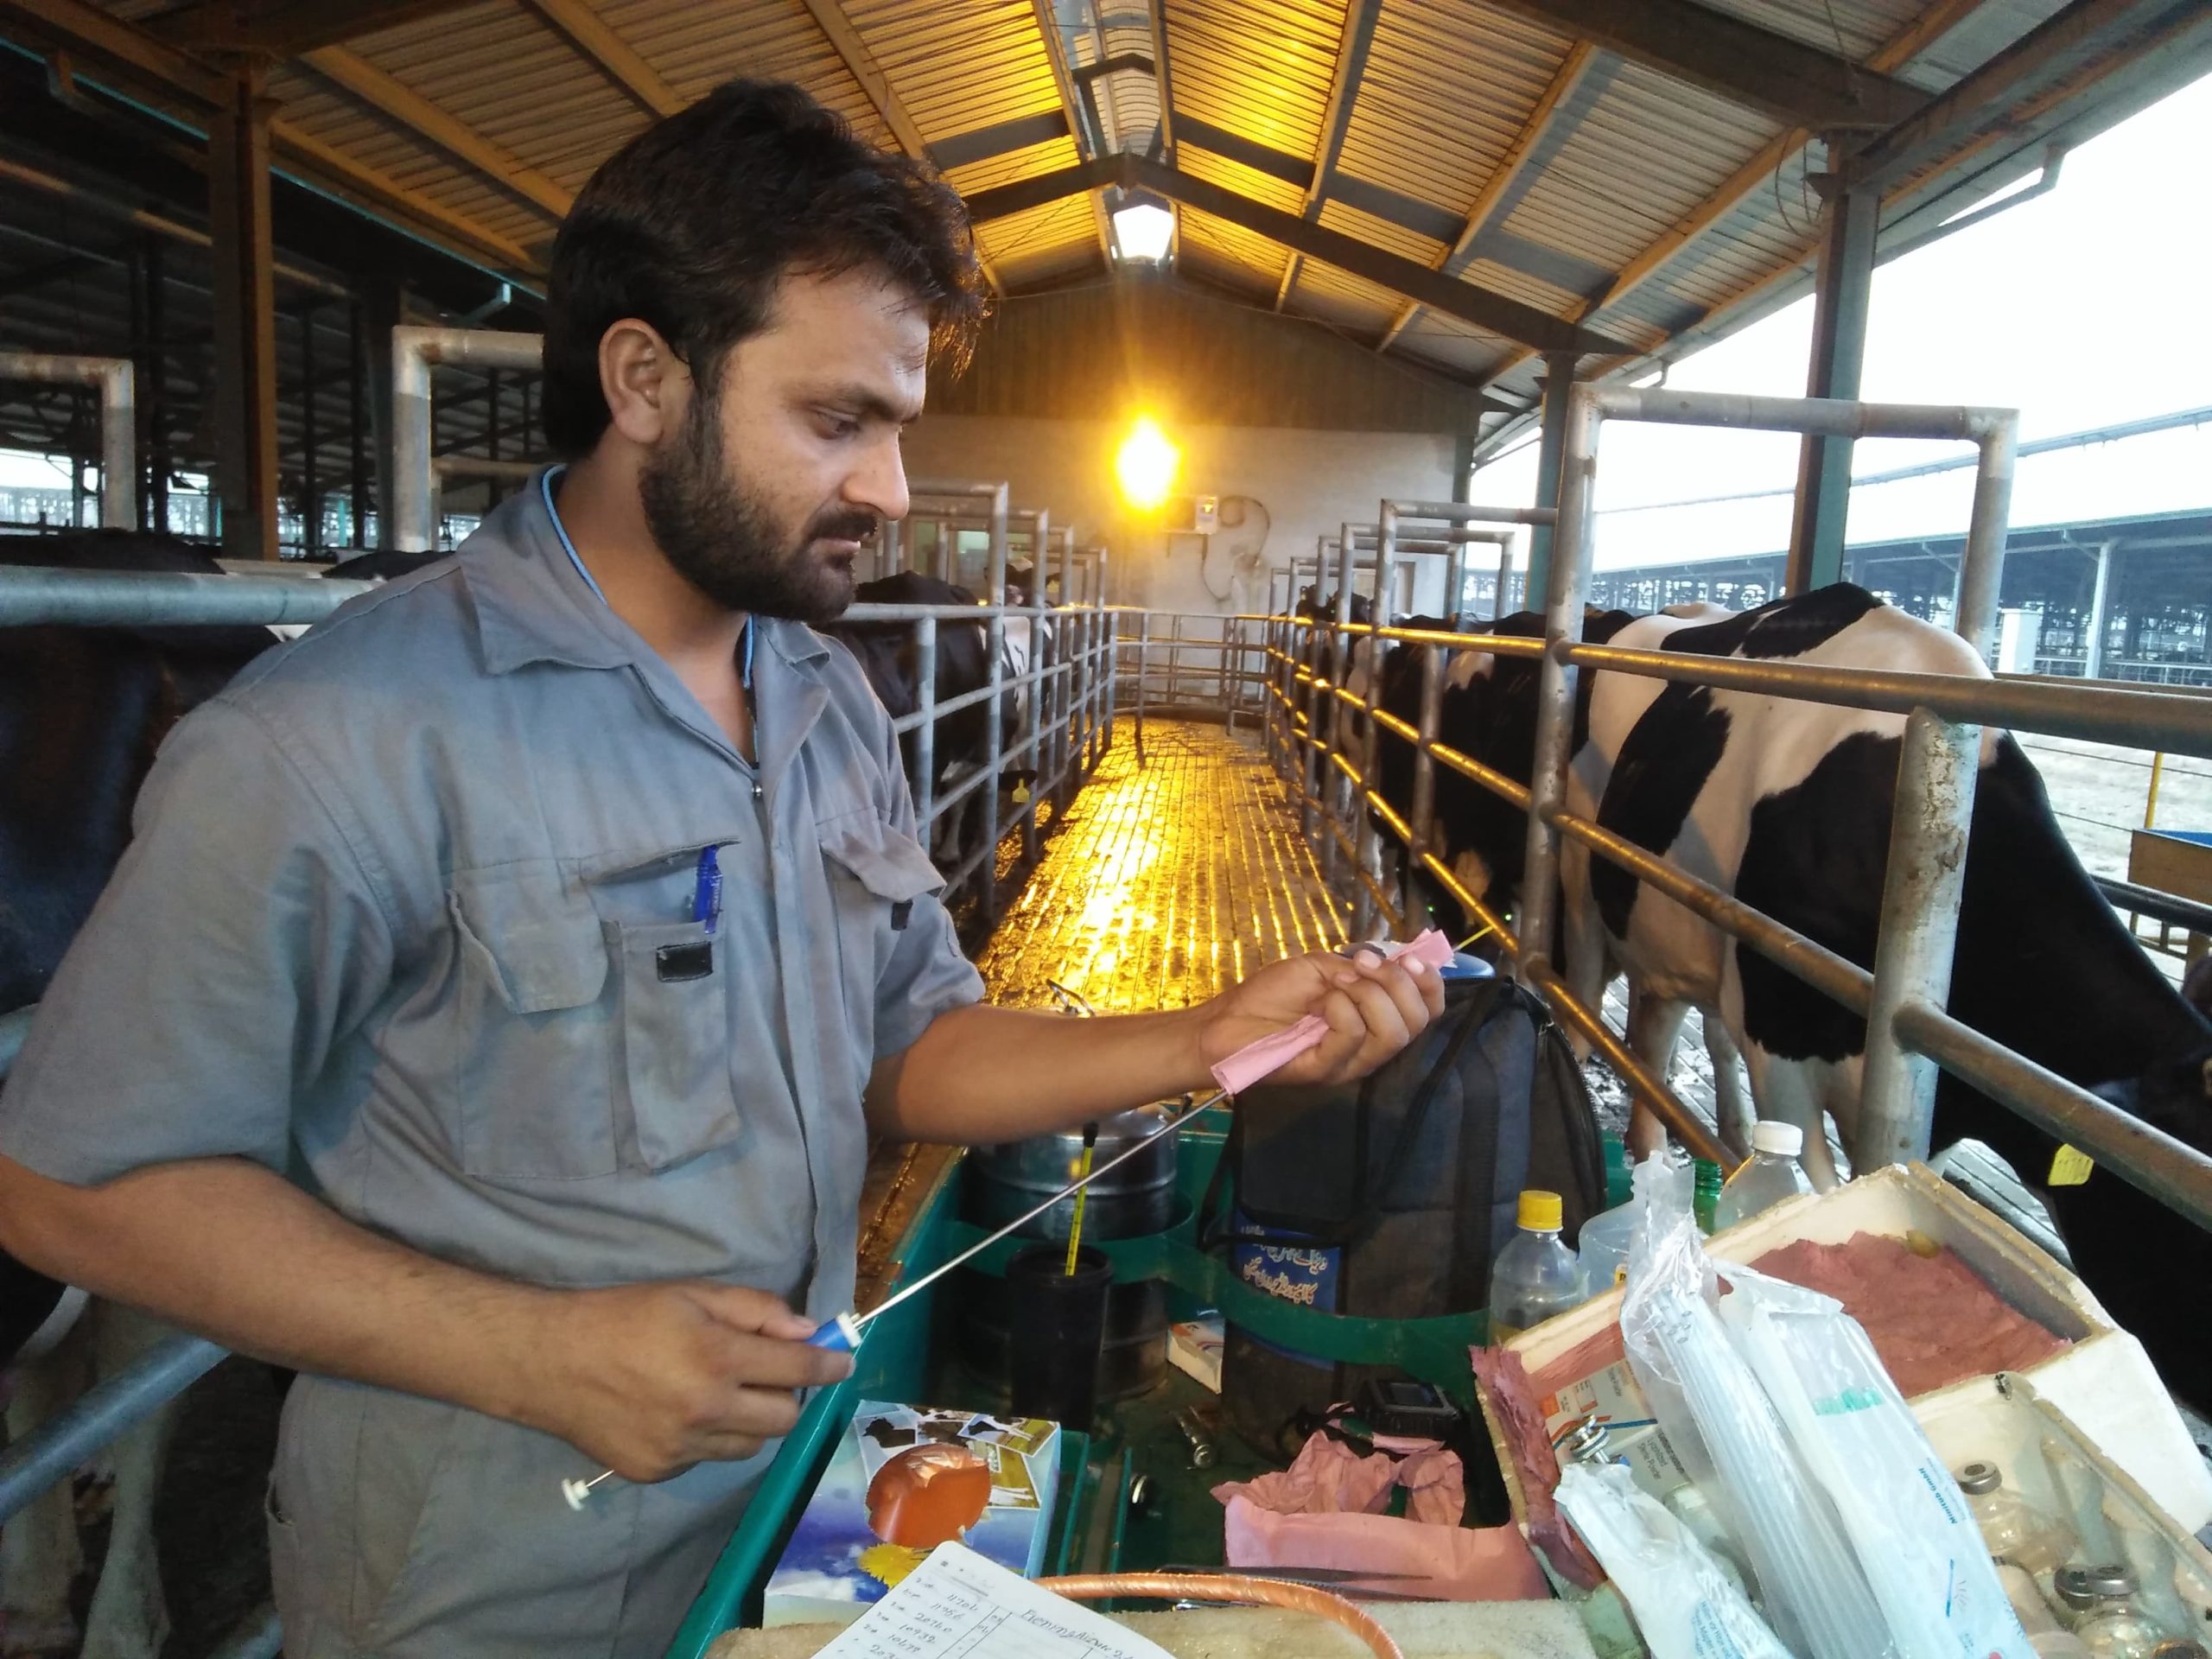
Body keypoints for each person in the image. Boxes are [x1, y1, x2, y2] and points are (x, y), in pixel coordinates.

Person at [0, 79, 1440, 1657]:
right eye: (838, 421)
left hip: (785, 1513)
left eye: (896, 426)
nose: (891, 489)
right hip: (488, 1577)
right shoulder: (339, 739)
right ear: (644, 381)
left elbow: (908, 1047)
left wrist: (1204, 1034)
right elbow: (68, 1181)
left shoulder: (822, 695)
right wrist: (531, 1353)